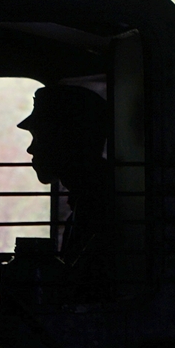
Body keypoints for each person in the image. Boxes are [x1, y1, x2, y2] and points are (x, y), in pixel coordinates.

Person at [15, 84, 114, 293]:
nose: (30, 149)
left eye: (39, 137)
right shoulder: (93, 195)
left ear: (67, 140)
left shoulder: (97, 204)